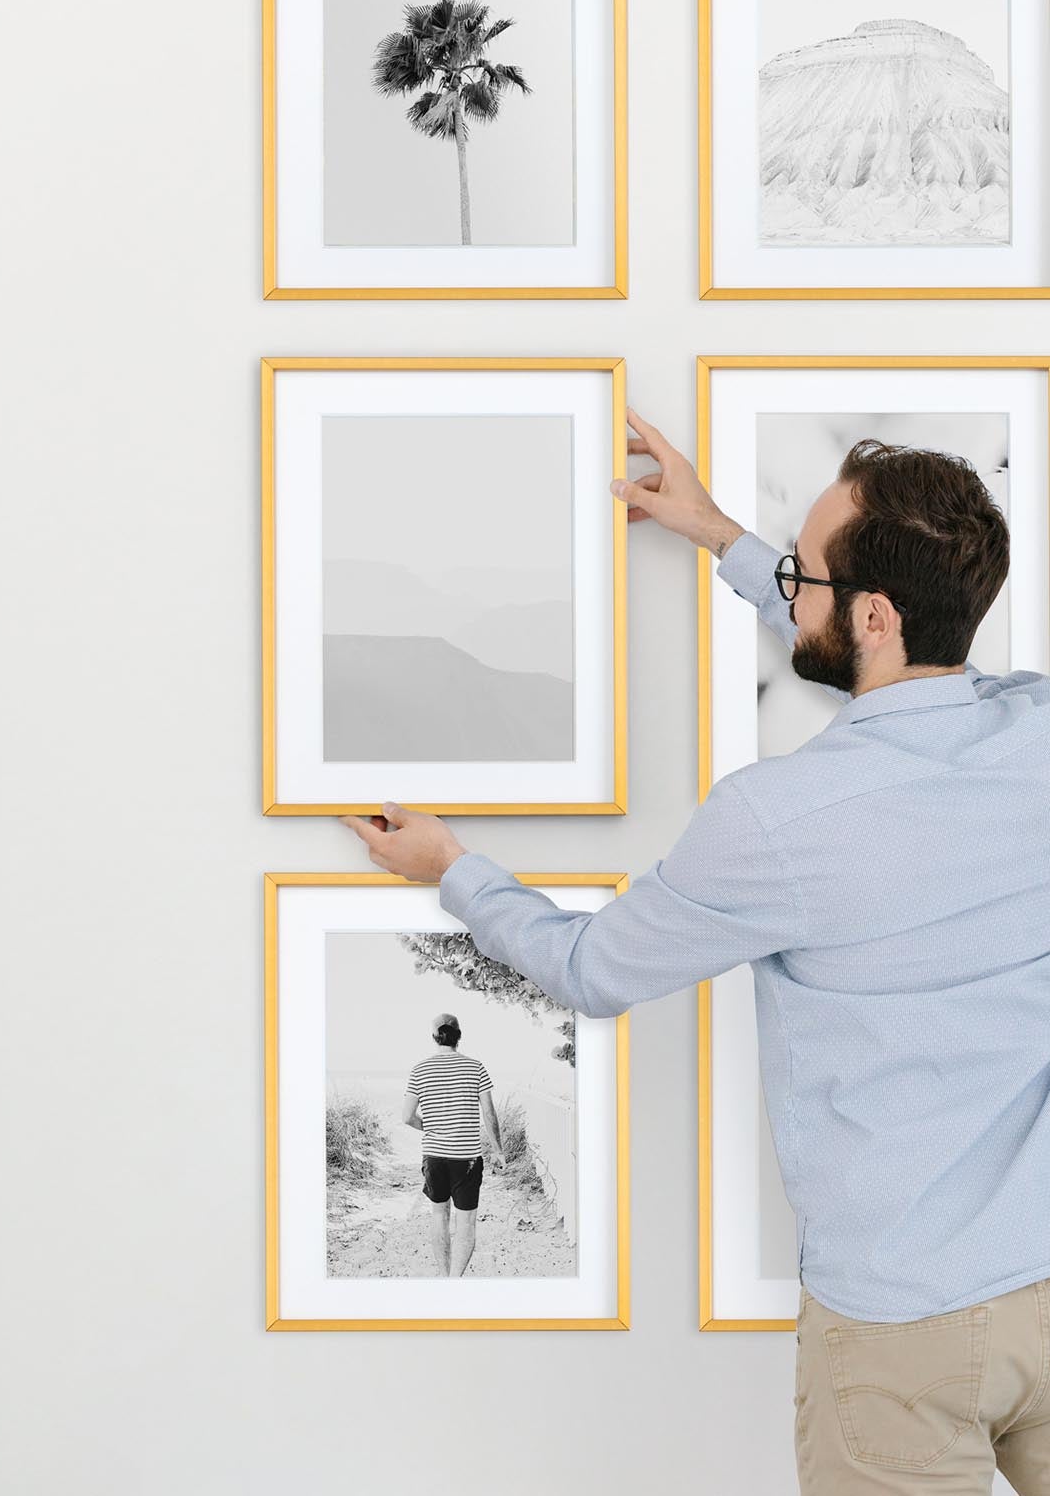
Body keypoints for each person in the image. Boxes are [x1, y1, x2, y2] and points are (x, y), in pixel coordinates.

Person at [342, 405, 1050, 1493]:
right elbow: (879, 658)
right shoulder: (1033, 731)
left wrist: (453, 872)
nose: (790, 587)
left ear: (869, 613)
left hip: (904, 1329)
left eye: (800, 574)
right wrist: (723, 536)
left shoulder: (776, 820)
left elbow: (592, 970)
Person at [402, 1012, 507, 1277]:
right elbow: (489, 1113)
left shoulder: (420, 1069)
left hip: (435, 1156)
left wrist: (430, 1127)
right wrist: (498, 1150)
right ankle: (454, 1279)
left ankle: (442, 1274)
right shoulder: (475, 1067)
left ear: (434, 1037)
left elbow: (406, 1117)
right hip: (467, 1158)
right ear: (459, 1036)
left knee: (439, 1215)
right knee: (466, 1221)